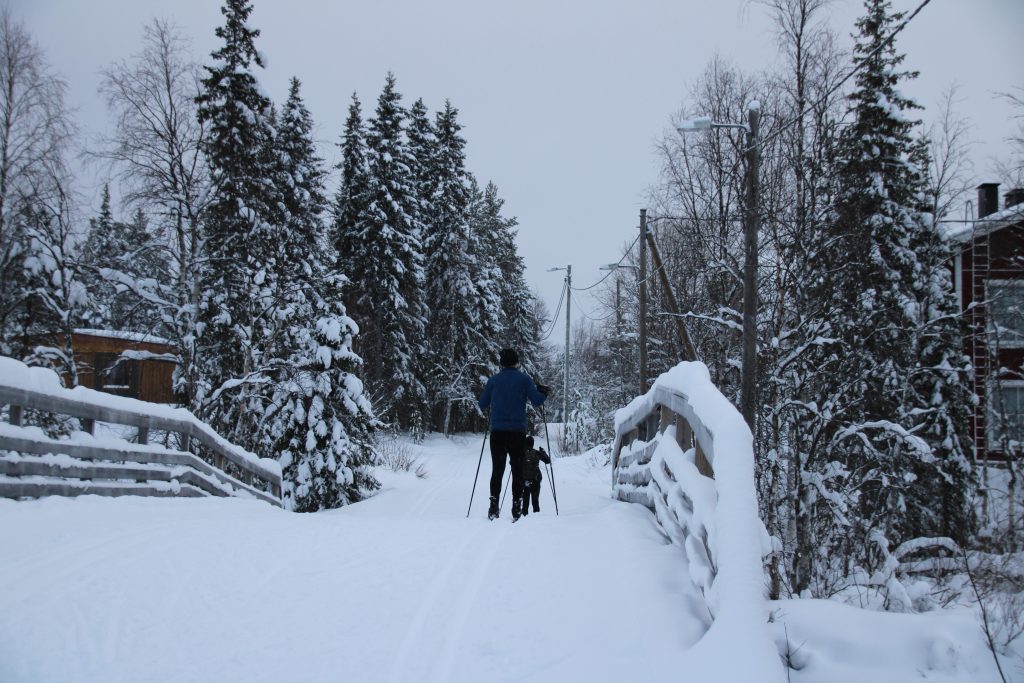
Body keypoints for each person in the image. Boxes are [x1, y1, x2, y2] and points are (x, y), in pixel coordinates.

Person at [477, 348, 548, 521]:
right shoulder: (524, 380)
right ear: (516, 362)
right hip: (517, 433)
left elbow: (482, 403)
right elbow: (537, 401)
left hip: (498, 432)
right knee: (517, 470)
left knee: (497, 470)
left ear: (501, 363)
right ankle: (516, 507)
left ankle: (493, 506)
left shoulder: (493, 380)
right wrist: (544, 391)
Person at [520, 436, 551, 517]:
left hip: (525, 480)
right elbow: (548, 461)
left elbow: (511, 462)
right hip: (536, 480)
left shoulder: (522, 453)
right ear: (533, 444)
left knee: (525, 502)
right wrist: (543, 452)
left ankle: (523, 518)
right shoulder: (537, 453)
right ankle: (536, 520)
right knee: (535, 502)